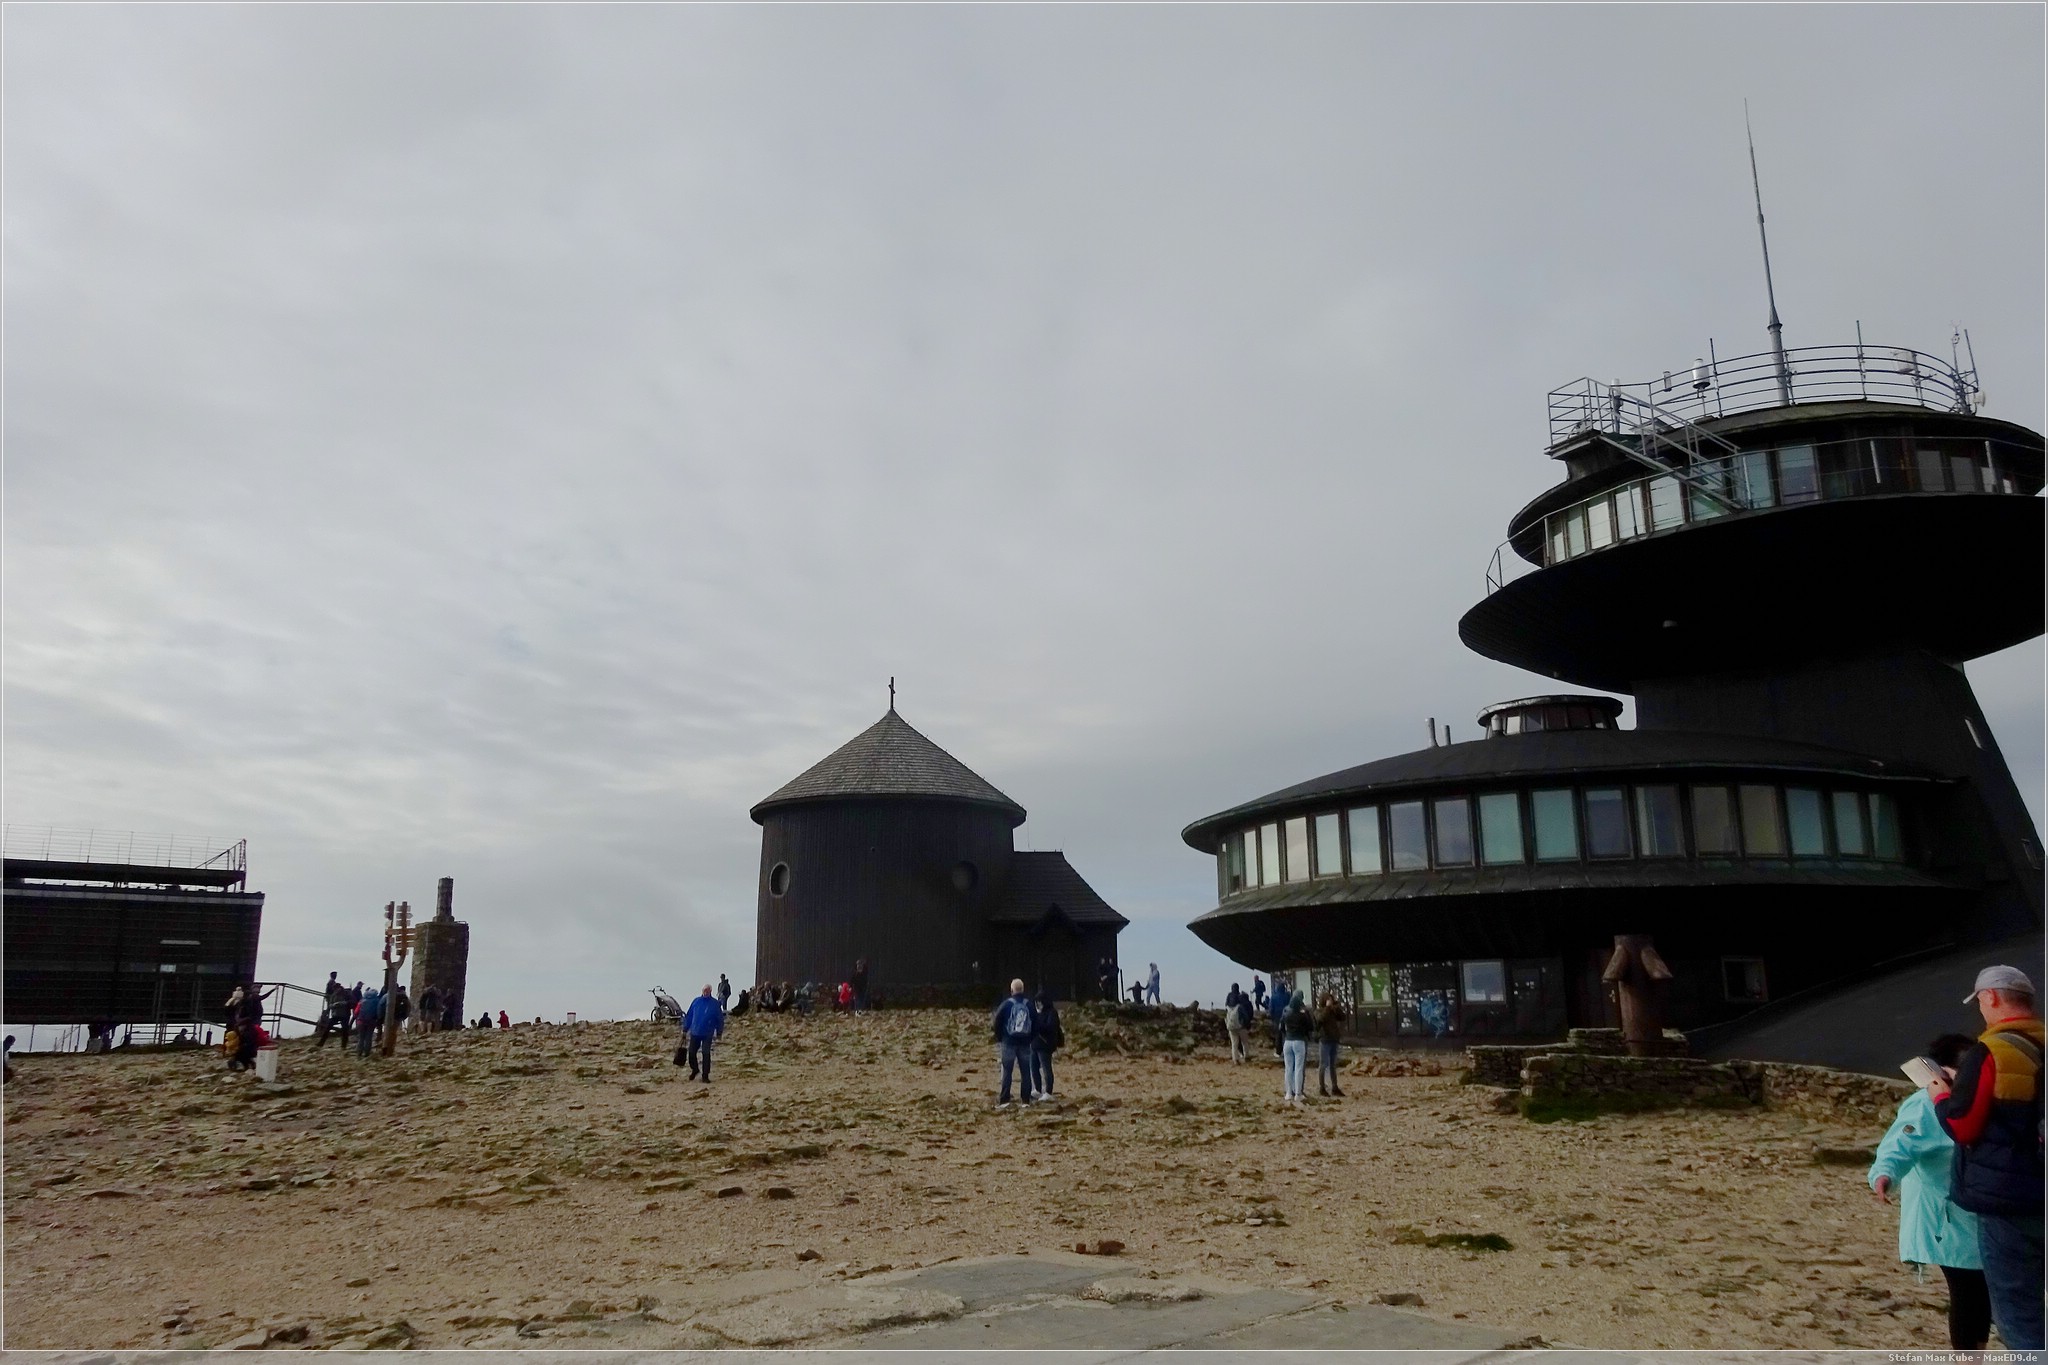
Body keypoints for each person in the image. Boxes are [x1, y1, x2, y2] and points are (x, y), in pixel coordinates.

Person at [1932, 964, 2044, 1351]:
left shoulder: (1991, 1052)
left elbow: (1963, 1126)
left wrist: (1940, 1096)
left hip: (2010, 1198)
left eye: (1980, 1002)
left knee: (2019, 1311)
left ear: (1990, 997)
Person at [1870, 1033, 1988, 1351]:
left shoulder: (1984, 1098)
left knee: (1984, 1292)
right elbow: (1899, 1143)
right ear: (1941, 1071)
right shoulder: (1923, 1105)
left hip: (1982, 1209)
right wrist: (1884, 1175)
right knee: (1968, 1291)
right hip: (1944, 1218)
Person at [992, 979, 1038, 1107]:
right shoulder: (1029, 1005)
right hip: (1025, 1042)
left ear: (1011, 990)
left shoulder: (1006, 1004)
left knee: (1007, 1071)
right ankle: (1025, 1100)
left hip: (1008, 1042)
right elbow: (1036, 1023)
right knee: (1026, 1072)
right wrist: (1030, 1038)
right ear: (1023, 990)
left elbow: (996, 1022)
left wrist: (1000, 1037)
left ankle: (1005, 1100)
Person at [683, 985, 725, 1084]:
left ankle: (705, 1075)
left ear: (710, 991)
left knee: (706, 1053)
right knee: (691, 1053)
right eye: (704, 990)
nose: (706, 992)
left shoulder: (715, 1004)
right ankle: (695, 1069)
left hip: (707, 1032)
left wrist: (719, 1032)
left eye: (707, 990)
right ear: (702, 991)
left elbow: (719, 1019)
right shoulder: (696, 1001)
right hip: (695, 1031)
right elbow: (689, 1016)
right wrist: (685, 1029)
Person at [1280, 994, 1313, 1104]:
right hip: (1299, 1040)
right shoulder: (1302, 1016)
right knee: (1298, 1068)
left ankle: (1288, 1093)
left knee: (1288, 1068)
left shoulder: (1286, 1015)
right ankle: (1298, 1093)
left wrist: (1286, 1034)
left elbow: (1281, 1028)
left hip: (1288, 1041)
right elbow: (1310, 1027)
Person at [1031, 987, 1064, 1100]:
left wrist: (1037, 1026)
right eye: (1036, 1002)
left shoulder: (1052, 1012)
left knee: (1046, 1068)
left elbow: (1051, 1028)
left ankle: (1048, 1092)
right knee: (1034, 1067)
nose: (1038, 1004)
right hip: (1034, 1044)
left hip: (1045, 1045)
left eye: (1039, 1002)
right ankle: (1037, 1089)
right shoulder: (1036, 1013)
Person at [1315, 993, 1347, 1097]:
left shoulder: (1333, 1011)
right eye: (1328, 999)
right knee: (1323, 1064)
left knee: (1333, 1065)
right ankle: (1322, 1087)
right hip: (1325, 1040)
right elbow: (1321, 1019)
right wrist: (1327, 1008)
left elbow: (1342, 1017)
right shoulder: (1319, 1011)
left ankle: (1334, 1087)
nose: (1330, 1001)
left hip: (1334, 1039)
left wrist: (1337, 1007)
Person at [312, 973, 344, 1047]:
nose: (336, 976)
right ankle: (326, 1016)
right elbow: (330, 990)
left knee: (329, 1009)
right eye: (335, 975)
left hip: (330, 998)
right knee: (330, 1009)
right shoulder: (331, 982)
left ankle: (321, 1042)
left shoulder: (331, 981)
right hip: (331, 998)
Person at [1226, 989, 1253, 1065]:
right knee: (1244, 1042)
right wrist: (1245, 1024)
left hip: (1231, 1027)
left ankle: (1235, 1059)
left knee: (1234, 1044)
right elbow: (1245, 1016)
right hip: (1240, 1027)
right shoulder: (1239, 1007)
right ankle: (1246, 1057)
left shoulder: (1228, 1008)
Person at [354, 988, 382, 1059]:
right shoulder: (377, 1001)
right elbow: (379, 1012)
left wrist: (357, 1018)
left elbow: (356, 1012)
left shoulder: (361, 1001)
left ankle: (359, 1053)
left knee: (361, 1038)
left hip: (361, 1021)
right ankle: (367, 1053)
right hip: (371, 1021)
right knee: (368, 1037)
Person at [1267, 977, 1291, 1057]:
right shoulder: (1287, 995)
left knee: (1278, 1035)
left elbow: (1271, 1009)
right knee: (1287, 1034)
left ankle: (1278, 1052)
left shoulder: (1273, 997)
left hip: (1277, 1018)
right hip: (1287, 1017)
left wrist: (1272, 1017)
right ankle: (1288, 1051)